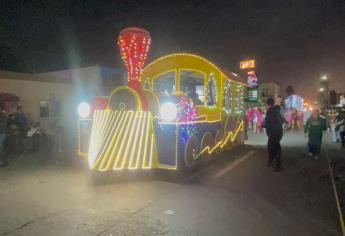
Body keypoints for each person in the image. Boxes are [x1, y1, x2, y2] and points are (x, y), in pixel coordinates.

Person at [262, 98, 285, 171]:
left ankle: (278, 166)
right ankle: (270, 161)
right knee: (271, 146)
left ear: (267, 104)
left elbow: (267, 122)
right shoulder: (276, 111)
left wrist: (263, 125)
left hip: (273, 133)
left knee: (275, 148)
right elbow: (283, 120)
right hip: (278, 132)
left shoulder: (270, 112)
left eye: (266, 105)